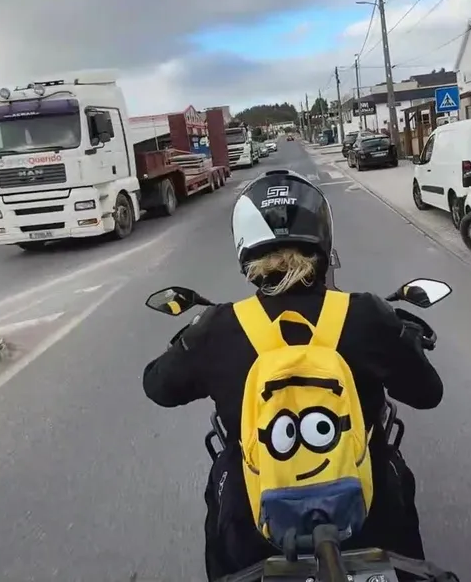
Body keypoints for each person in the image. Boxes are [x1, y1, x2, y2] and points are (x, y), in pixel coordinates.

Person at [143, 169, 444, 581]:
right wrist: (401, 340)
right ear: (322, 239)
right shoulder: (365, 314)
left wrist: (191, 341)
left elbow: (157, 386)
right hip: (370, 517)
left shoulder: (220, 326)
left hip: (256, 528)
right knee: (396, 493)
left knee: (223, 487)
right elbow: (428, 393)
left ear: (245, 246)